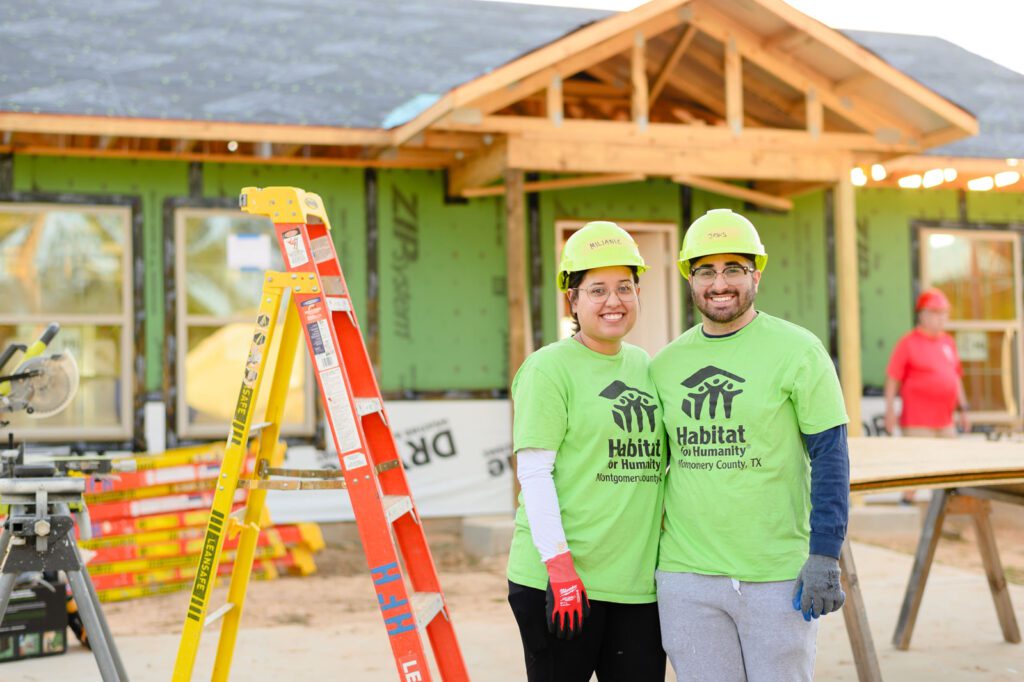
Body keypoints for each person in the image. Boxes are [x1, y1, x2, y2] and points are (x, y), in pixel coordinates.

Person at [650, 208, 850, 682]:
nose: (719, 283)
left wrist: (825, 552)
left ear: (755, 274)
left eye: (733, 269)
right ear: (690, 280)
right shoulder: (665, 365)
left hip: (776, 575)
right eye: (705, 271)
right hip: (687, 577)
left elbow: (831, 457)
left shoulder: (799, 351)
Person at [506, 220, 667, 682]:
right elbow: (534, 475)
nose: (613, 301)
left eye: (624, 287)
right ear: (572, 300)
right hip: (560, 583)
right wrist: (560, 569)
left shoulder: (644, 366)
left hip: (634, 585)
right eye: (597, 290)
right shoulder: (549, 369)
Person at [884, 287, 970, 503]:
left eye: (945, 313)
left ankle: (946, 509)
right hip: (917, 421)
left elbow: (955, 377)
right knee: (916, 466)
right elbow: (893, 377)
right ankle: (907, 503)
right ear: (923, 314)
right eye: (937, 313)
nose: (942, 318)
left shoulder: (948, 342)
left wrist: (964, 409)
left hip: (945, 421)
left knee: (951, 465)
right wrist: (890, 411)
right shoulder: (908, 342)